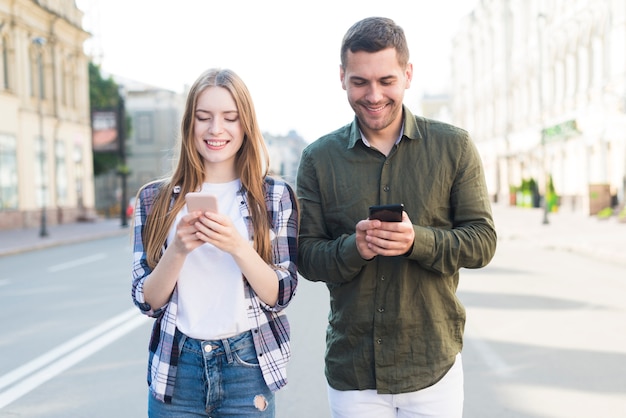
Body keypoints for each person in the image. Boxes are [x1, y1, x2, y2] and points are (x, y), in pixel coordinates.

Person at [296, 17, 497, 418]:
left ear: (407, 74)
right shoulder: (318, 158)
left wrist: (417, 241)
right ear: (342, 78)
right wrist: (356, 248)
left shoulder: (453, 146)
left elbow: (482, 242)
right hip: (354, 372)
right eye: (359, 82)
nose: (373, 95)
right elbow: (305, 255)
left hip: (432, 365)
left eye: (386, 80)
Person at [131, 68, 299, 417]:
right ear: (189, 124)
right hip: (178, 368)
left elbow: (280, 294)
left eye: (230, 118)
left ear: (246, 125)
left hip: (247, 368)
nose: (215, 129)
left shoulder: (273, 196)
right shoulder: (154, 199)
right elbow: (147, 302)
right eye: (203, 117)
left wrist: (238, 246)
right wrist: (178, 249)